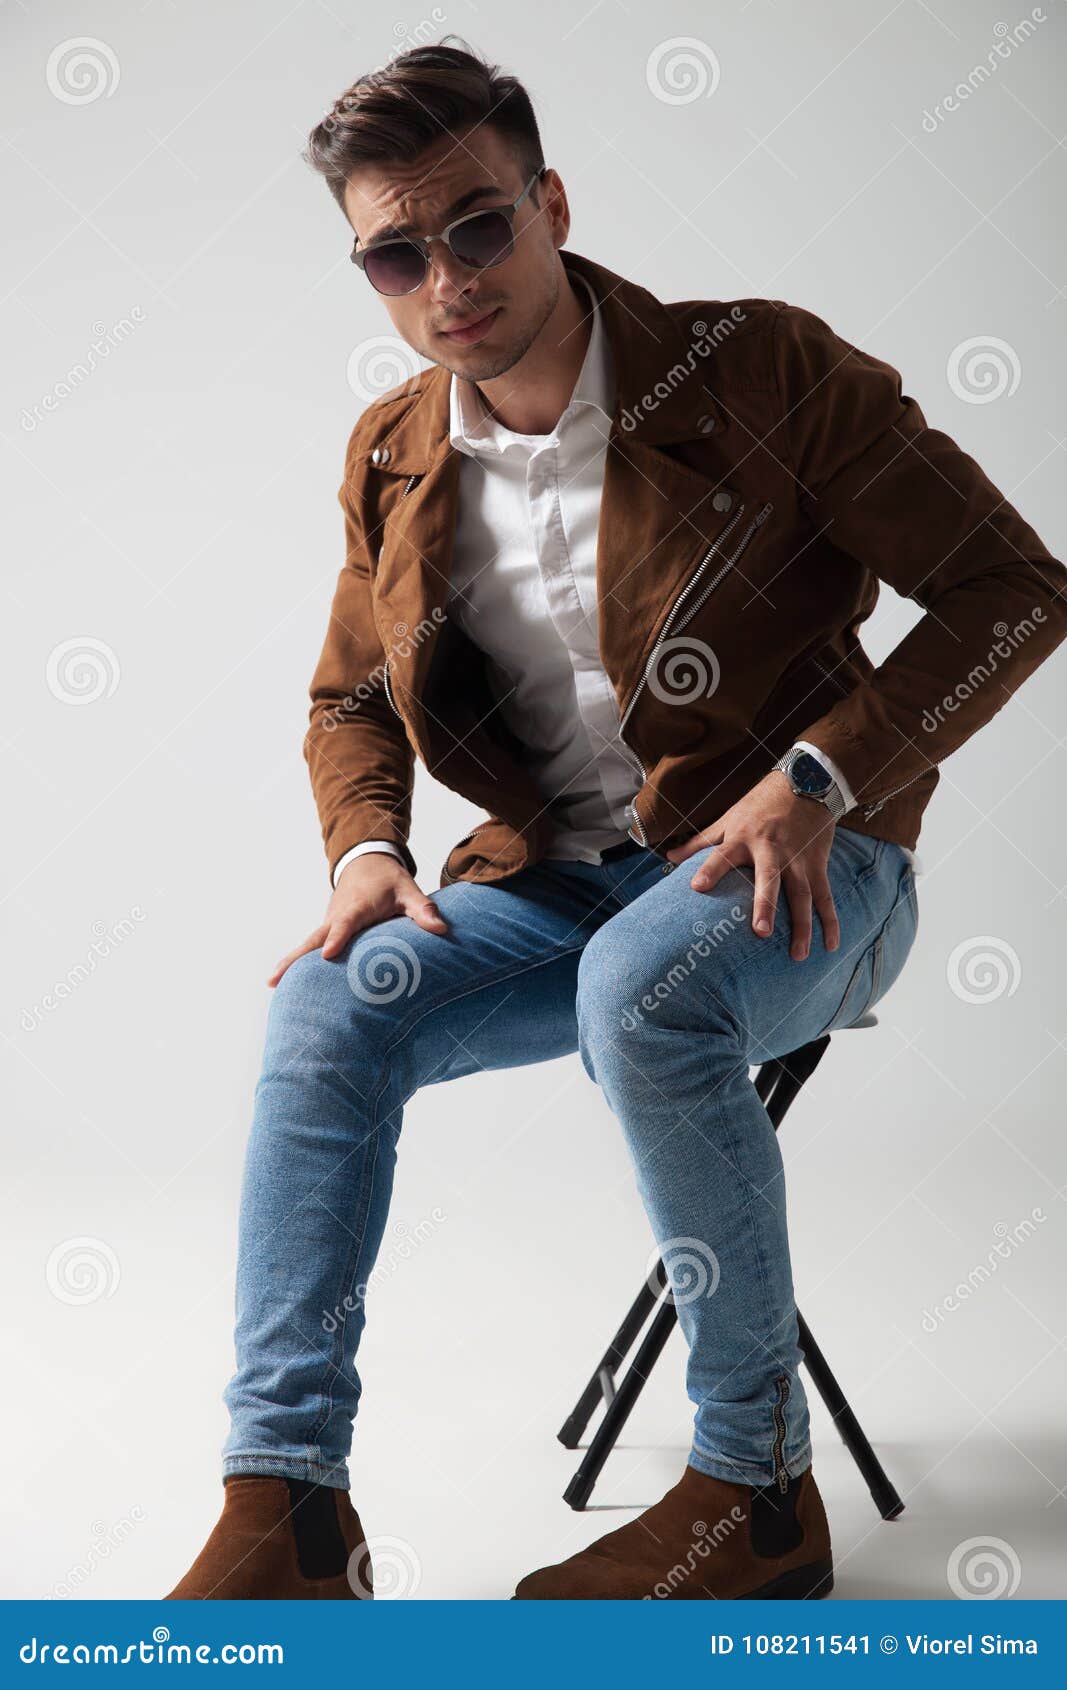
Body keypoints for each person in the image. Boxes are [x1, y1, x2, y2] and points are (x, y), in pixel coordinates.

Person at [166, 40, 1067, 1600]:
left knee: (641, 986)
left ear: (551, 202)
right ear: (368, 275)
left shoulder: (764, 372)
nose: (444, 277)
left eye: (476, 227)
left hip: (813, 866)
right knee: (326, 1002)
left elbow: (1015, 591)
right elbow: (346, 703)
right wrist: (367, 846)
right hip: (563, 886)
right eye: (395, 251)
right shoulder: (394, 455)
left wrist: (821, 774)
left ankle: (754, 1491)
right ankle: (290, 1505)